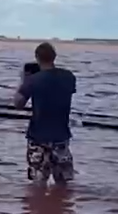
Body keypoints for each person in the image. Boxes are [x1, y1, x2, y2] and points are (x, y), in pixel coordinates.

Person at [13, 42, 77, 187]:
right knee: (63, 183)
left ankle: (39, 208)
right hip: (61, 136)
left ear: (37, 58)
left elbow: (18, 103)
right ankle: (62, 208)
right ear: (54, 57)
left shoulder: (33, 80)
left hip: (38, 137)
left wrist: (23, 81)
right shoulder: (69, 77)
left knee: (38, 182)